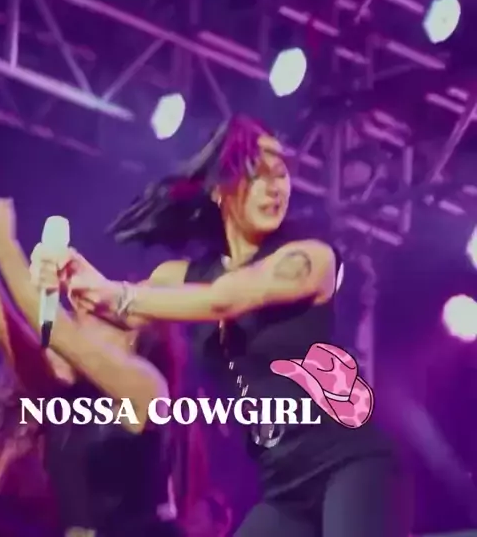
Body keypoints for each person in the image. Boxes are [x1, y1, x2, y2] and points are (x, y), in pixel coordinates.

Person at [30, 116, 411, 537]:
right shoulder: (181, 276)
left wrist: (108, 292)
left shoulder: (308, 258)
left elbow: (223, 299)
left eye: (281, 174)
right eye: (257, 174)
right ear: (218, 189)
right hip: (285, 488)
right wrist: (72, 275)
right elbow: (120, 309)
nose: (274, 187)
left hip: (352, 466)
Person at [0, 200, 198, 537]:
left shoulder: (146, 389)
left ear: (131, 338)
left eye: (94, 317)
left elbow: (58, 334)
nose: (80, 317)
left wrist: (5, 244)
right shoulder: (64, 391)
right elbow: (7, 327)